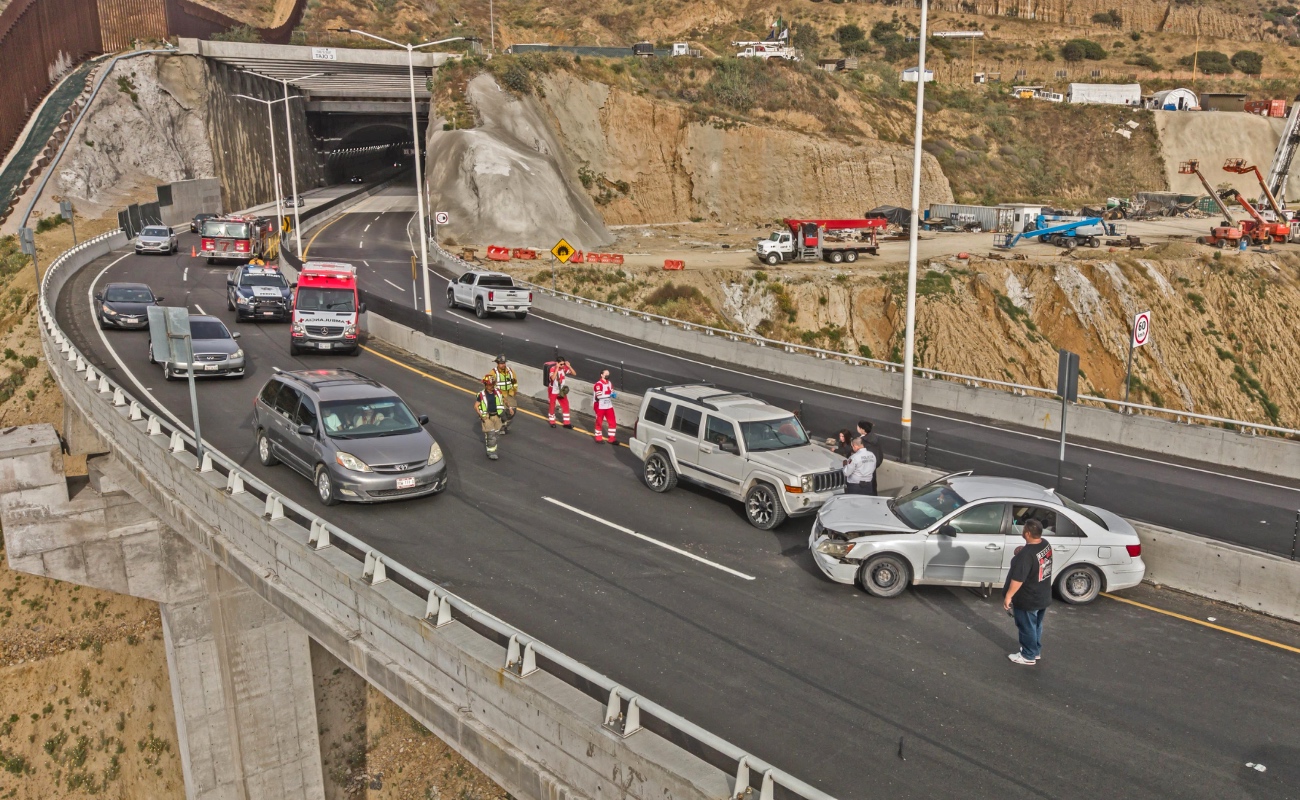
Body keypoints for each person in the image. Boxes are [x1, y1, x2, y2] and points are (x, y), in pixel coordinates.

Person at [1003, 519, 1052, 666]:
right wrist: (1023, 550)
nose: (1023, 531)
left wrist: (1008, 596)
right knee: (1036, 625)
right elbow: (1035, 558)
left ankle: (1028, 655)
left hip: (1028, 598)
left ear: (1028, 533)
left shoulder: (1026, 555)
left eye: (1024, 529)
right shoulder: (1045, 544)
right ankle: (1035, 651)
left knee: (1026, 626)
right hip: (1042, 595)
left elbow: (1018, 579)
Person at [475, 375, 507, 460]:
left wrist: (509, 407)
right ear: (485, 385)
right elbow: (476, 406)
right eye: (490, 385)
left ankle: (492, 447)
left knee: (496, 434)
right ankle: (491, 452)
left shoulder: (497, 392)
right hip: (486, 417)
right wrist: (480, 414)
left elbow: (503, 399)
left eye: (493, 384)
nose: (492, 386)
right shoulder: (481, 395)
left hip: (496, 415)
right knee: (491, 434)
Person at [491, 354, 518, 433]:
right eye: (501, 363)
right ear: (497, 364)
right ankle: (500, 425)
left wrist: (514, 391)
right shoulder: (493, 372)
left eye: (504, 363)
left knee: (512, 410)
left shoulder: (510, 371)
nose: (503, 365)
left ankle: (505, 423)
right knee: (500, 411)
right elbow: (489, 384)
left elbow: (515, 382)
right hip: (498, 395)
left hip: (509, 394)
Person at [547, 356, 576, 429]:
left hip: (561, 390)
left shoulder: (564, 369)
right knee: (552, 405)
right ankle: (552, 421)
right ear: (557, 363)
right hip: (553, 389)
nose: (563, 366)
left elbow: (574, 373)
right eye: (561, 364)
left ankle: (566, 422)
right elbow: (553, 378)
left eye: (563, 364)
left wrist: (569, 366)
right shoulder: (552, 369)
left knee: (566, 404)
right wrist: (557, 368)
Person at [857, 419, 884, 495]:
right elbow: (879, 453)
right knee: (873, 485)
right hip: (874, 464)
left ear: (862, 429)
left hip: (865, 467)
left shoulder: (862, 441)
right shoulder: (875, 438)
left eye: (858, 427)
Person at [592, 369, 618, 444]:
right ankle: (598, 437)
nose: (608, 375)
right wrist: (609, 395)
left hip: (608, 405)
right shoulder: (598, 384)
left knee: (612, 421)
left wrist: (613, 394)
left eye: (608, 374)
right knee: (599, 422)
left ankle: (612, 438)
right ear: (601, 375)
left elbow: (612, 391)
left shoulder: (609, 383)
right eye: (606, 374)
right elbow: (599, 396)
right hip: (599, 405)